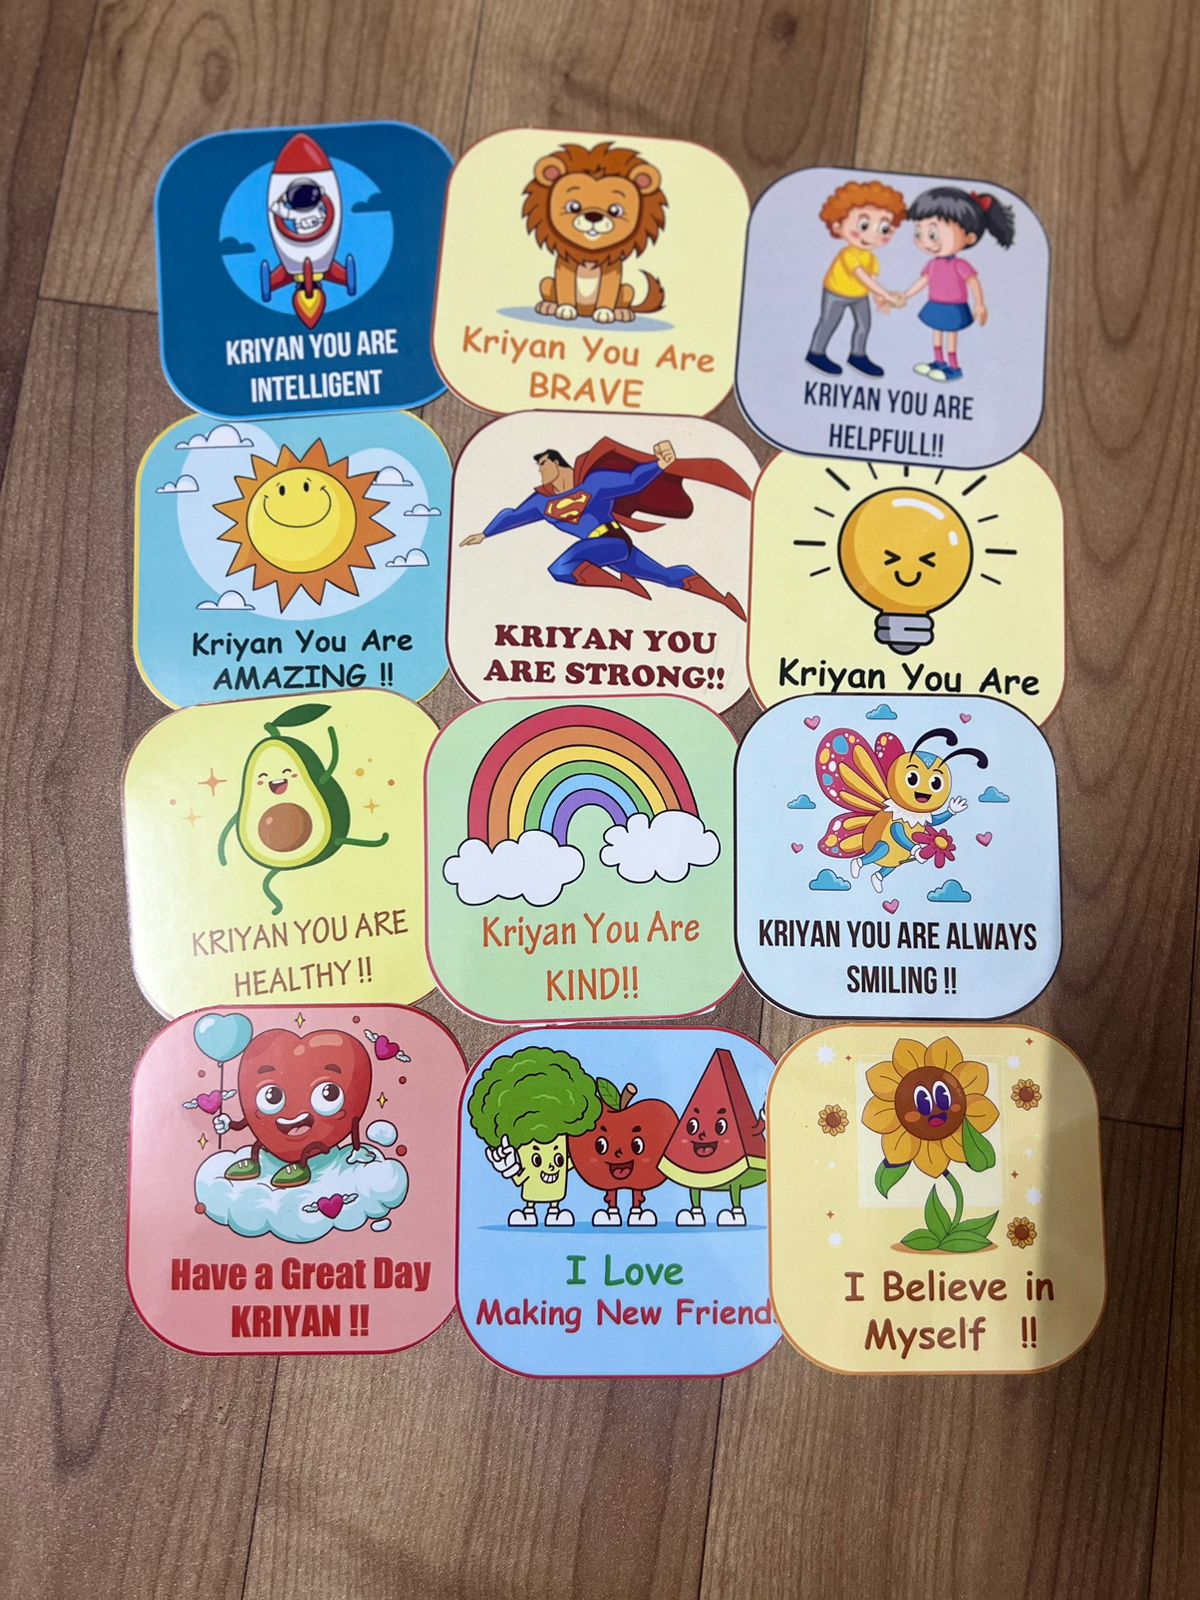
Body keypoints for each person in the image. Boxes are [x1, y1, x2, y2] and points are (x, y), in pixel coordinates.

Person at [460, 438, 748, 616]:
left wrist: (659, 464)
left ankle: (627, 585)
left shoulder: (594, 482)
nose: (540, 470)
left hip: (613, 541)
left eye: (543, 465)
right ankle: (719, 599)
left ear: (557, 463)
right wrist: (485, 533)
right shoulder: (541, 501)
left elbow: (632, 480)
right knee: (666, 576)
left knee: (562, 567)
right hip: (607, 553)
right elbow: (513, 515)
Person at [895, 186, 1016, 381]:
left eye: (932, 234)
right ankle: (938, 362)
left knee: (951, 336)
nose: (925, 241)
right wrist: (906, 295)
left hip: (954, 307)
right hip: (935, 304)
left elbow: (973, 282)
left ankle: (953, 367)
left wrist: (980, 304)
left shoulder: (960, 265)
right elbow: (924, 281)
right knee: (936, 333)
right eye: (918, 233)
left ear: (969, 238)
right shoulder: (932, 264)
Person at [805, 179, 907, 379]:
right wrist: (886, 294)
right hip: (836, 293)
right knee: (828, 322)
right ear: (837, 226)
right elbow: (863, 277)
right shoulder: (848, 255)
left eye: (883, 228)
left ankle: (857, 356)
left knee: (864, 325)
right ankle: (815, 353)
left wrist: (880, 300)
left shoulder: (871, 258)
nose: (873, 235)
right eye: (864, 225)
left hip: (859, 296)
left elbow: (872, 280)